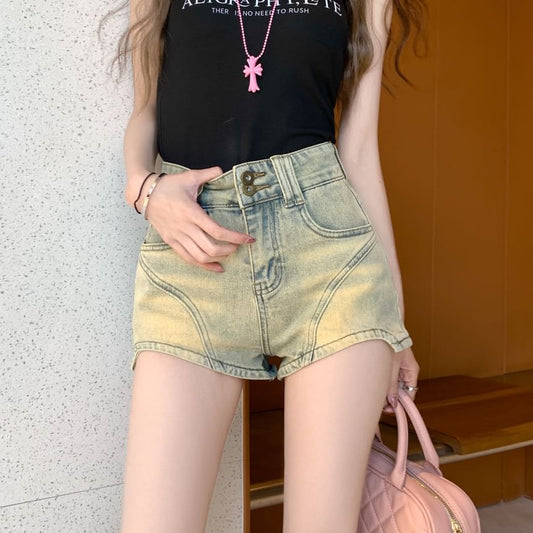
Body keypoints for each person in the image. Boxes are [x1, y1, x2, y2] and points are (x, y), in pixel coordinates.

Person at [104, 0, 427, 530]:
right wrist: (146, 191)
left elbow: (360, 151)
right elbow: (144, 113)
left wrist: (395, 322)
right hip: (194, 263)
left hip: (331, 261)